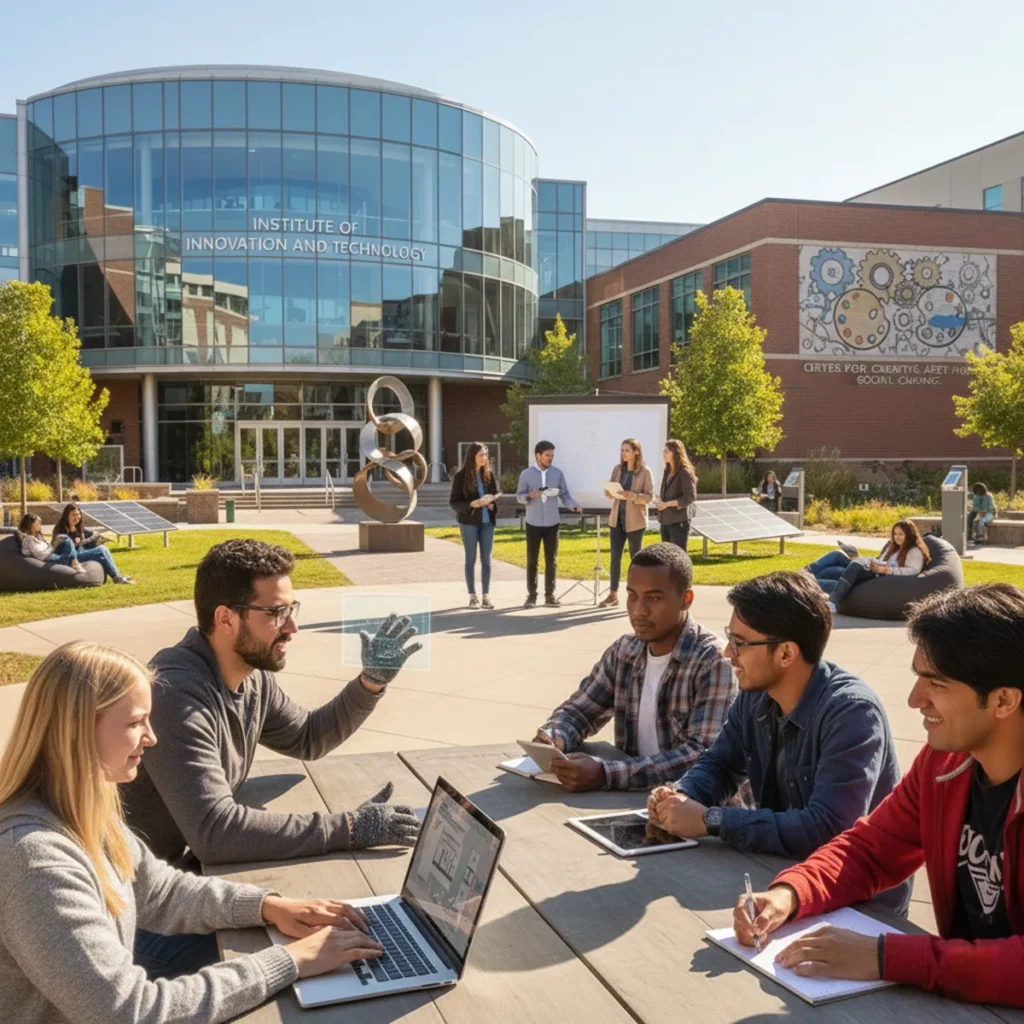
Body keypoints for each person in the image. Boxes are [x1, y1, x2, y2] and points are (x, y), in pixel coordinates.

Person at [0, 641, 385, 1022]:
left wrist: (267, 906)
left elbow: (157, 890)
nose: (151, 738)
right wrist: (288, 961)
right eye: (135, 723)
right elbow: (131, 1012)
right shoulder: (35, 861)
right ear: (74, 730)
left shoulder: (80, 804)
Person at [735, 584, 1024, 1009]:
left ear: (1003, 701)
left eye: (936, 684)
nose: (914, 699)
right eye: (917, 678)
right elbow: (870, 850)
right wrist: (789, 895)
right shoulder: (942, 765)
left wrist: (886, 956)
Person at [120, 538, 422, 878]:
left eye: (291, 610)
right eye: (277, 613)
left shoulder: (252, 679)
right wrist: (350, 828)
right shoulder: (176, 696)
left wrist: (369, 683)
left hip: (175, 877)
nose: (292, 628)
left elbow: (308, 737)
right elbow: (216, 833)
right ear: (226, 618)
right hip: (128, 902)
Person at [647, 571, 911, 913]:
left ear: (786, 653)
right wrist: (681, 797)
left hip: (858, 907)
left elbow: (829, 828)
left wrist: (712, 820)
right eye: (731, 638)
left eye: (740, 643)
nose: (728, 653)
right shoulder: (756, 695)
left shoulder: (852, 713)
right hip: (780, 880)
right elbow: (721, 765)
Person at [532, 543, 737, 792]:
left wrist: (605, 774)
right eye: (632, 596)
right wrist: (554, 737)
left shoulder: (713, 661)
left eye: (654, 598)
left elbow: (703, 756)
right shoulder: (625, 652)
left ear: (686, 600)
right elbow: (579, 712)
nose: (639, 610)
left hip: (694, 812)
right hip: (631, 801)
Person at [806, 518, 930, 613]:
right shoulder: (893, 547)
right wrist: (858, 556)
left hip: (878, 576)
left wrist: (888, 570)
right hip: (873, 568)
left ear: (909, 534)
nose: (897, 537)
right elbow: (880, 560)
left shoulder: (914, 551)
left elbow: (913, 570)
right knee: (834, 561)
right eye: (895, 534)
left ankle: (832, 601)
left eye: (901, 534)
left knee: (855, 565)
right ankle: (806, 573)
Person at [516, 440, 582, 609]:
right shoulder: (526, 474)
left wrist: (574, 505)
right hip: (533, 522)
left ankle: (550, 596)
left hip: (553, 522)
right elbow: (519, 496)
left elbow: (565, 494)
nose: (550, 458)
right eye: (547, 455)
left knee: (551, 560)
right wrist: (530, 496)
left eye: (552, 455)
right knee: (532, 560)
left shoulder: (557, 474)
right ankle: (531, 596)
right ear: (538, 455)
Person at [600, 438, 654, 608]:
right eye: (622, 450)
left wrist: (632, 496)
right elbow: (611, 488)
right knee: (615, 557)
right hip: (617, 519)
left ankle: (637, 595)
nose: (623, 453)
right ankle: (613, 595)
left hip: (635, 521)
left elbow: (649, 497)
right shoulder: (618, 469)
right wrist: (609, 493)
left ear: (636, 452)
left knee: (635, 558)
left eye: (627, 450)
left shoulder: (645, 471)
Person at [449, 442, 500, 609]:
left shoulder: (489, 475)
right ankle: (472, 596)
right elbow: (454, 502)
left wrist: (492, 505)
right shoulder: (461, 476)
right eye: (481, 455)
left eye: (485, 454)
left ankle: (486, 596)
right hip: (469, 522)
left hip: (487, 523)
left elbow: (494, 495)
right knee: (470, 560)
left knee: (487, 560)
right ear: (472, 457)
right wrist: (472, 503)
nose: (484, 458)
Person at [52, 502, 134, 585]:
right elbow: (61, 548)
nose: (76, 517)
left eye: (78, 514)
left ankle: (117, 576)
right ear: (67, 516)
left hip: (80, 552)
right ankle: (117, 578)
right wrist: (75, 542)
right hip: (71, 557)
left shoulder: (77, 527)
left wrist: (96, 536)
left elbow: (90, 534)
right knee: (101, 550)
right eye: (73, 515)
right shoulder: (61, 529)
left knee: (102, 548)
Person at [654, 438, 697, 551]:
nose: (663, 454)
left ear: (676, 453)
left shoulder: (684, 472)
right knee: (667, 556)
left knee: (679, 556)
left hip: (679, 521)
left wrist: (667, 504)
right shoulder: (667, 470)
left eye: (666, 451)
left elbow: (690, 496)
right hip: (665, 520)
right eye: (663, 451)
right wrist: (660, 500)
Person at [17, 513, 85, 574]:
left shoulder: (38, 537)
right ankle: (74, 561)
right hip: (48, 561)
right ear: (30, 525)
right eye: (37, 523)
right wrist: (54, 545)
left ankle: (73, 560)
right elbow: (41, 556)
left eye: (40, 523)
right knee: (65, 538)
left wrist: (55, 543)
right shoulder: (29, 539)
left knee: (63, 538)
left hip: (52, 556)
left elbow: (47, 549)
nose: (39, 525)